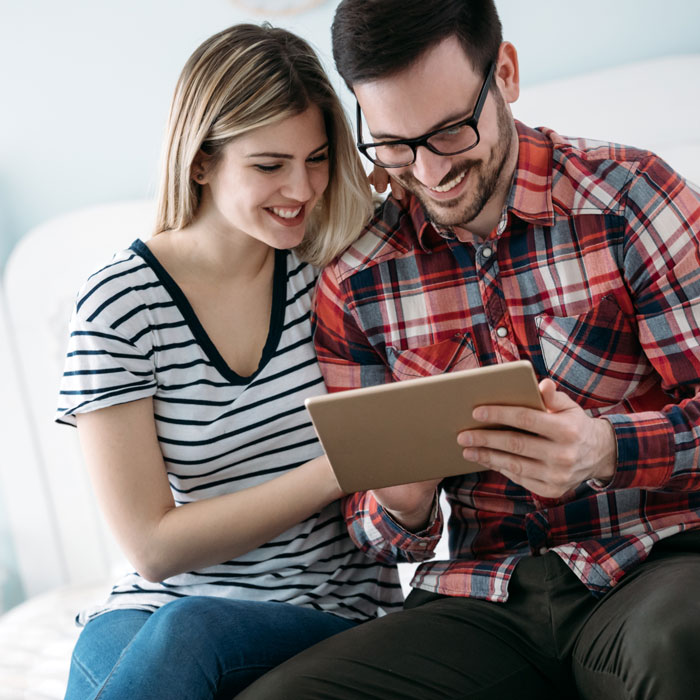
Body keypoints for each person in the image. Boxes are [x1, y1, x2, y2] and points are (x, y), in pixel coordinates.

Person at [237, 2, 700, 699]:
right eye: (393, 143)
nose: (427, 171)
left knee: (676, 647)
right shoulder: (356, 281)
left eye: (450, 131)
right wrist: (401, 504)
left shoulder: (632, 199)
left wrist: (604, 448)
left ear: (505, 74)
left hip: (654, 561)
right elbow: (377, 534)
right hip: (484, 598)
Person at [55, 22, 403, 699]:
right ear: (201, 162)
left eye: (319, 158)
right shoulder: (118, 305)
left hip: (319, 613)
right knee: (126, 657)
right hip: (154, 606)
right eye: (269, 165)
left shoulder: (334, 267)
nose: (300, 189)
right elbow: (153, 548)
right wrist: (340, 468)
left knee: (188, 638)